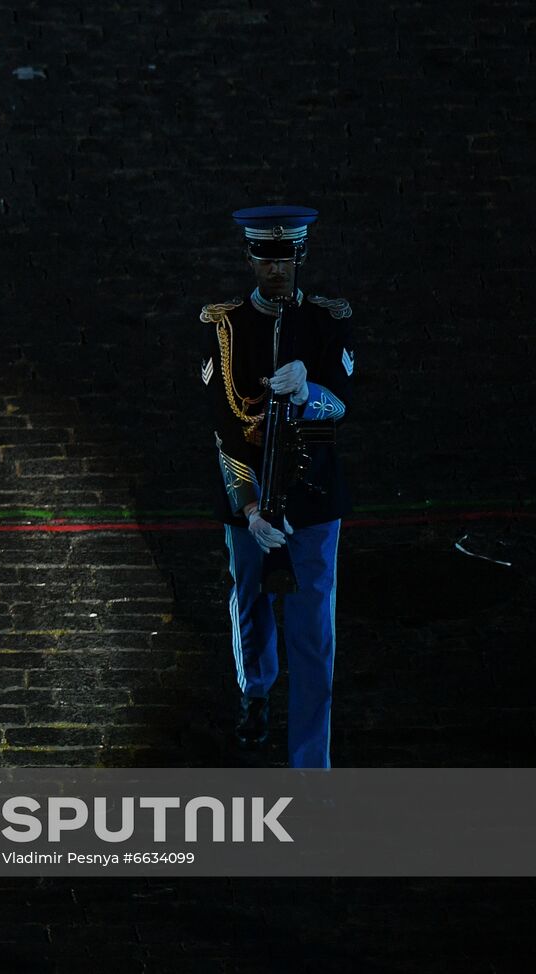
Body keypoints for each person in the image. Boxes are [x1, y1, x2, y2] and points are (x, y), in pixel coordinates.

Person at [200, 205, 355, 769]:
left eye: (285, 259)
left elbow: (339, 404)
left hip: (312, 496)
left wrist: (307, 389)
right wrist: (249, 507)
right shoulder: (225, 326)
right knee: (249, 602)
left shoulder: (328, 320)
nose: (276, 270)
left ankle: (311, 762)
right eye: (266, 259)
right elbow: (224, 427)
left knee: (315, 631)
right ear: (250, 258)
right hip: (249, 495)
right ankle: (256, 691)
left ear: (300, 257)